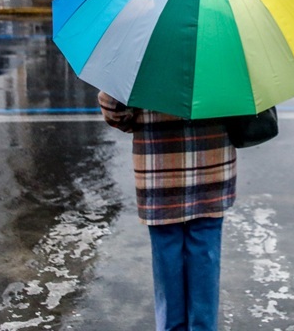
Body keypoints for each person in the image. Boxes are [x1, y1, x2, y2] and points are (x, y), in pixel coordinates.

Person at [98, 92, 236, 331]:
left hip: (159, 166)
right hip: (212, 162)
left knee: (166, 253)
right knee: (205, 252)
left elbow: (113, 109)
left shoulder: (140, 55)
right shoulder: (222, 55)